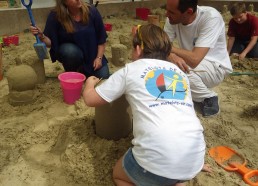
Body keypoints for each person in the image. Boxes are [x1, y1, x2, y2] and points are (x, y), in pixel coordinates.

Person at [83, 24, 211, 186]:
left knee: (119, 175)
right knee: (172, 176)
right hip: (194, 159)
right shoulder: (179, 73)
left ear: (137, 50)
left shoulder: (130, 70)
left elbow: (90, 100)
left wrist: (89, 83)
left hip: (155, 162)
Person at [164, 0, 233, 117]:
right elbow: (163, 46)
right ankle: (191, 91)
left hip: (215, 67)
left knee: (177, 68)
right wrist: (170, 54)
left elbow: (195, 59)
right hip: (192, 64)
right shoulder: (172, 19)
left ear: (189, 12)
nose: (166, 14)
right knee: (165, 62)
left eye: (171, 12)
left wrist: (168, 49)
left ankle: (208, 98)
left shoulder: (211, 18)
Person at [30, 0, 109, 79]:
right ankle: (73, 71)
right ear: (64, 2)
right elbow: (50, 43)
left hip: (92, 56)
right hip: (72, 55)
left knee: (104, 76)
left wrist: (99, 58)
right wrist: (41, 36)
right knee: (70, 51)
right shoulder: (55, 15)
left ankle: (83, 70)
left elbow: (101, 38)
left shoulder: (92, 11)